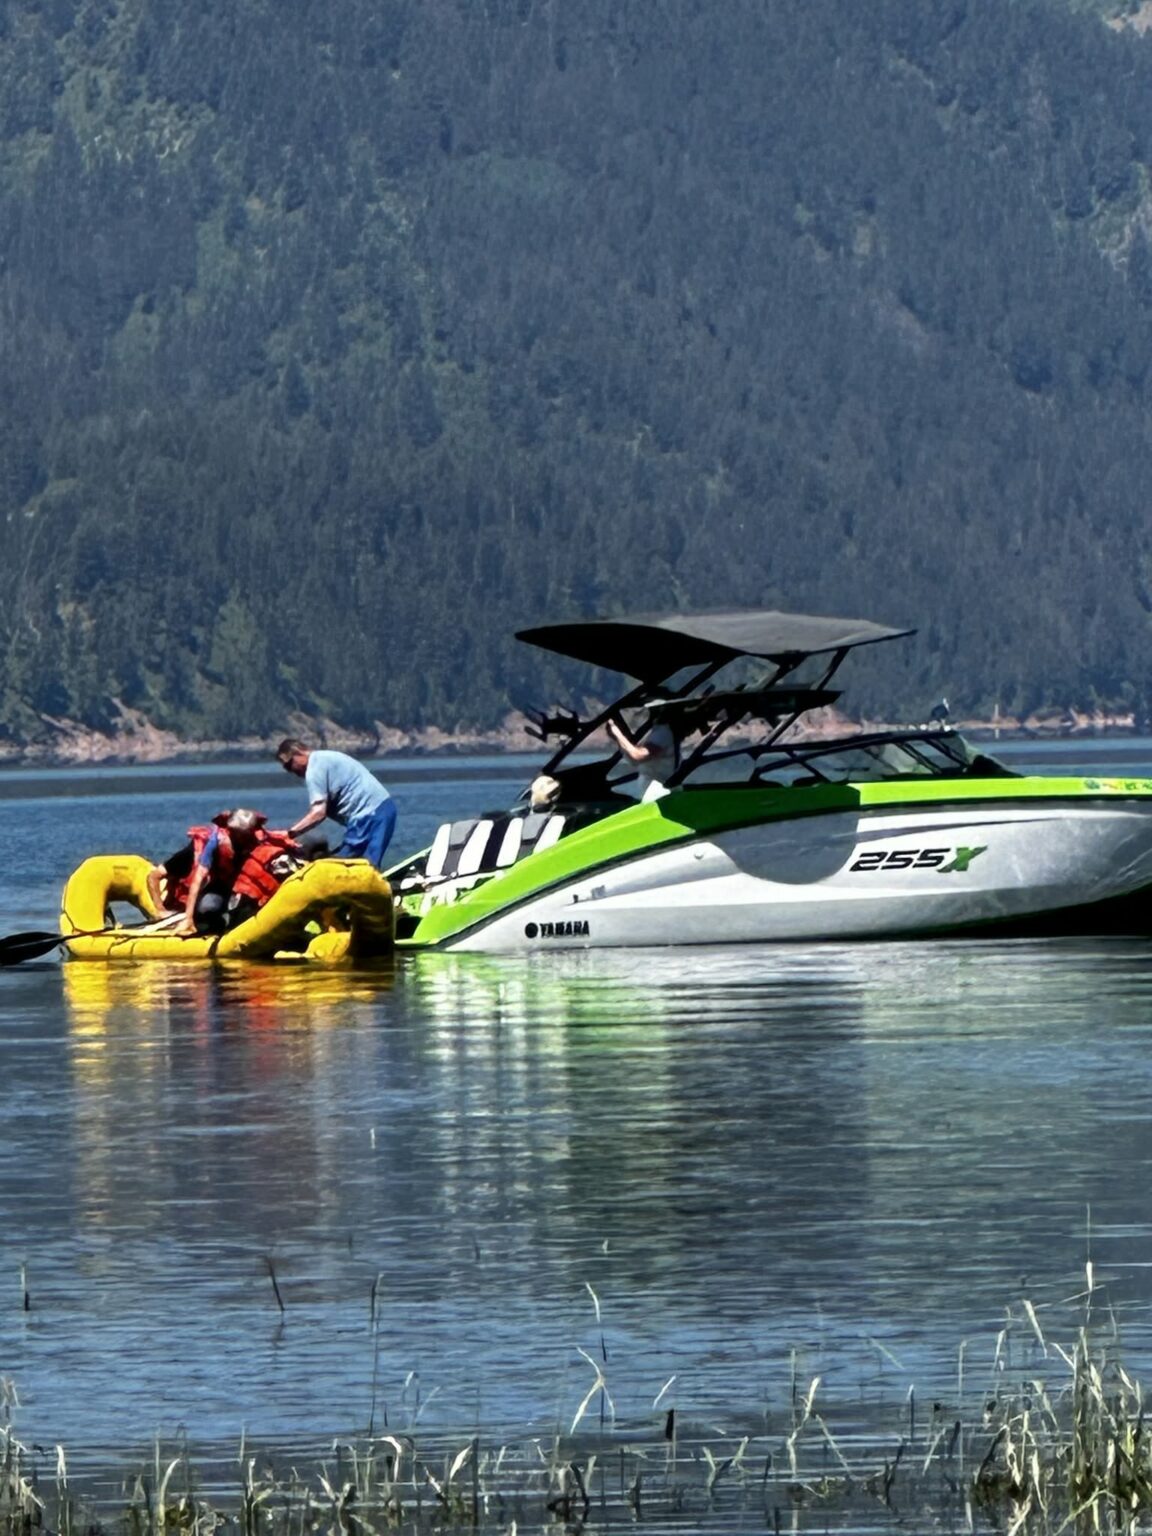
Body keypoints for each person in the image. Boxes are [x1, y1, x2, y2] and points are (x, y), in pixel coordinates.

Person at [148, 809, 300, 936]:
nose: (243, 838)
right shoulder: (211, 844)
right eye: (239, 833)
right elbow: (196, 879)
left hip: (246, 889)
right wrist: (177, 915)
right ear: (230, 830)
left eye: (247, 833)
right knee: (207, 907)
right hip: (220, 887)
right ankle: (216, 927)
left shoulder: (260, 841)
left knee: (245, 910)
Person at [276, 738, 397, 867]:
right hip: (384, 806)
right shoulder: (325, 758)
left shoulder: (314, 768)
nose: (290, 771)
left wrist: (290, 834)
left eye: (289, 765)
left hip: (367, 815)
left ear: (298, 753)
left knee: (343, 864)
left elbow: (318, 813)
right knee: (369, 862)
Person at [606, 709, 679, 801]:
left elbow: (638, 756)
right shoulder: (654, 732)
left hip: (660, 791)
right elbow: (633, 760)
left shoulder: (662, 732)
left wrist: (618, 734)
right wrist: (619, 738)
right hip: (651, 790)